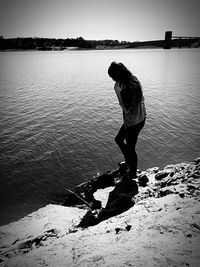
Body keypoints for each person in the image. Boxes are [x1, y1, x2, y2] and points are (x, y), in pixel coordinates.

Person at [108, 62, 146, 179]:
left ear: (117, 75)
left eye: (113, 77)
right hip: (140, 118)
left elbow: (127, 109)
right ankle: (128, 162)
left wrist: (118, 93)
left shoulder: (124, 87)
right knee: (119, 139)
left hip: (133, 122)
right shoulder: (133, 79)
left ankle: (133, 174)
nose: (113, 80)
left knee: (130, 148)